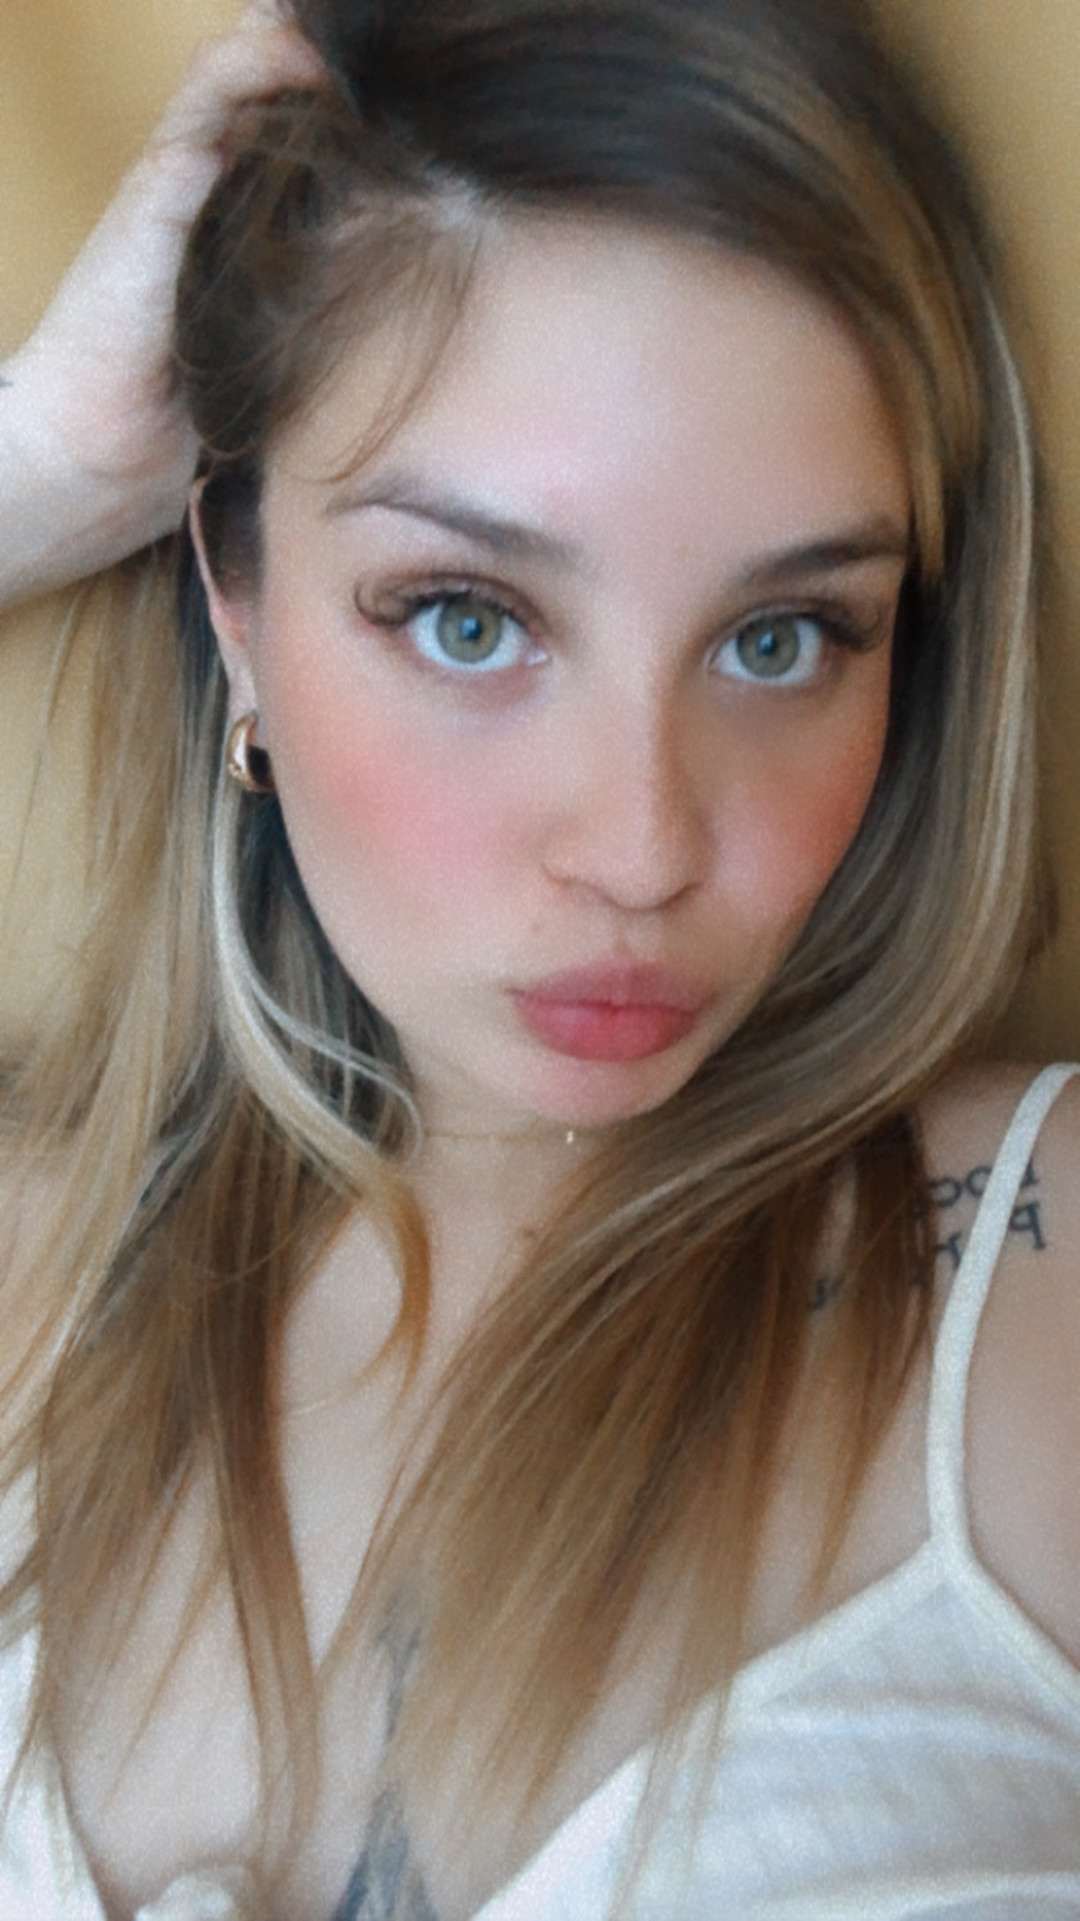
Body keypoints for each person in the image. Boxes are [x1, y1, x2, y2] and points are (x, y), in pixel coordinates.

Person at [0, 0, 1078, 1915]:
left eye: (782, 640)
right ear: (235, 599)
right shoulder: (33, 1266)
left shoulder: (1039, 1286)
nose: (644, 848)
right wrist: (39, 463)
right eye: (468, 617)